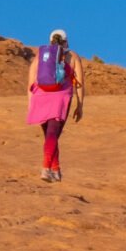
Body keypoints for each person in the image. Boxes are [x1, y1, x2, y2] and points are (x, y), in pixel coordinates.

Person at [26, 28, 84, 181]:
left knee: (49, 135)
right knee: (53, 134)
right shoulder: (73, 56)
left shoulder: (41, 55)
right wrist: (80, 105)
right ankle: (46, 169)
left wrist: (31, 102)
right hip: (60, 98)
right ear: (66, 41)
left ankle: (56, 170)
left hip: (40, 96)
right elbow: (79, 84)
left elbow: (31, 79)